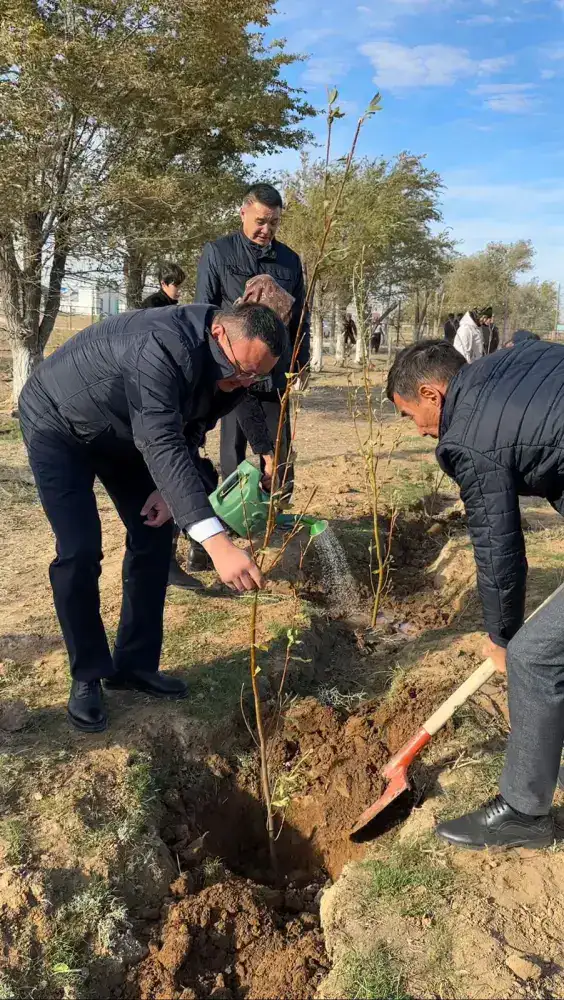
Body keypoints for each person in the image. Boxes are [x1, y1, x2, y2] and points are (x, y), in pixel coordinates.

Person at [19, 302, 284, 734]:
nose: (244, 382)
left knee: (154, 530)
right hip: (59, 422)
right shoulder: (161, 344)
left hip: (126, 429)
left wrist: (167, 490)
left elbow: (193, 421)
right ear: (219, 334)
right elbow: (160, 438)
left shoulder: (239, 366)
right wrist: (216, 542)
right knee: (79, 548)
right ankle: (87, 675)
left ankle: (133, 665)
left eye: (255, 376)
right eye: (241, 370)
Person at [386, 337, 564, 850]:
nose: (418, 429)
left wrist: (502, 635)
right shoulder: (511, 363)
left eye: (409, 414)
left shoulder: (467, 435)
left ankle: (525, 815)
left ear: (431, 393)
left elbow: (496, 543)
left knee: (533, 656)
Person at [195, 183, 310, 500]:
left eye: (273, 223)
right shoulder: (218, 252)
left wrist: (302, 361)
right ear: (243, 212)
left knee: (278, 450)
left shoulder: (289, 260)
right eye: (260, 221)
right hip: (232, 370)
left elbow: (301, 316)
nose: (266, 229)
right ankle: (234, 515)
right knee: (233, 449)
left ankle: (276, 513)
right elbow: (204, 311)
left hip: (275, 370)